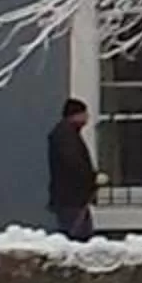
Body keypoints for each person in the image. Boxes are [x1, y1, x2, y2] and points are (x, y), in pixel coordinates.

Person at [47, 98, 101, 239]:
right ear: (75, 115)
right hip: (72, 197)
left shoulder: (65, 134)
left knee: (78, 232)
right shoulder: (66, 137)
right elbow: (74, 164)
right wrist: (92, 179)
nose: (87, 117)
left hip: (70, 196)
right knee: (78, 235)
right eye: (84, 113)